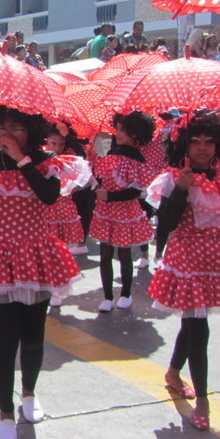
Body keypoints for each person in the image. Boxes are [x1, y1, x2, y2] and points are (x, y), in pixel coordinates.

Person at [0, 105, 82, 439]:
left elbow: (49, 196)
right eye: (3, 129)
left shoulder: (47, 163)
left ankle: (29, 392)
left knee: (33, 337)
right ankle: (5, 413)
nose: (9, 136)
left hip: (37, 258)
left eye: (18, 129)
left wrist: (22, 162)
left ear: (32, 132)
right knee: (3, 340)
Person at [146, 113, 220, 431]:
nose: (202, 148)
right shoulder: (172, 178)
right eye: (195, 141)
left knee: (193, 321)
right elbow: (164, 228)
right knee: (199, 328)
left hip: (213, 262)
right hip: (185, 262)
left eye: (209, 142)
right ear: (183, 144)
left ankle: (172, 372)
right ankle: (203, 401)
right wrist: (180, 191)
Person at [90, 111, 156, 312]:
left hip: (125, 212)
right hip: (106, 211)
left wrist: (110, 197)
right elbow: (101, 180)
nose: (118, 133)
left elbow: (135, 190)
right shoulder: (111, 153)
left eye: (123, 130)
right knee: (105, 254)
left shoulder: (137, 158)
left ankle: (126, 293)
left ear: (135, 134)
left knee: (125, 254)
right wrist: (93, 163)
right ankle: (107, 296)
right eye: (117, 128)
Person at [42, 126, 94, 305]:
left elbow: (82, 155)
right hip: (45, 209)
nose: (56, 147)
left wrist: (68, 137)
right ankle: (49, 285)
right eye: (53, 143)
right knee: (47, 251)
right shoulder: (40, 155)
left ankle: (58, 289)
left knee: (60, 250)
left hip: (63, 207)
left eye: (61, 144)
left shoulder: (68, 157)